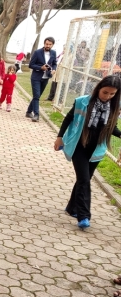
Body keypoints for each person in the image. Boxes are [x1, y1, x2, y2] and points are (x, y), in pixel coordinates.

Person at [54, 75, 121, 229]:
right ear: (99, 88)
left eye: (112, 94)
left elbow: (112, 128)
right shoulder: (82, 101)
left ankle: (72, 207)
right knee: (84, 180)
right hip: (79, 146)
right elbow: (68, 119)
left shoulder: (115, 106)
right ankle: (84, 216)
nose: (108, 96)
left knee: (84, 179)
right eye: (105, 92)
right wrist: (60, 138)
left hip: (96, 149)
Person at [26, 37, 58, 122]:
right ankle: (36, 114)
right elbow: (31, 65)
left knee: (37, 96)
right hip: (36, 77)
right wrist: (40, 68)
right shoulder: (37, 52)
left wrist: (54, 69)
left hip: (46, 78)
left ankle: (28, 112)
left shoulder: (53, 53)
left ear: (52, 45)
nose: (48, 46)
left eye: (50, 44)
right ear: (44, 44)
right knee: (36, 96)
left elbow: (54, 63)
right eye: (46, 44)